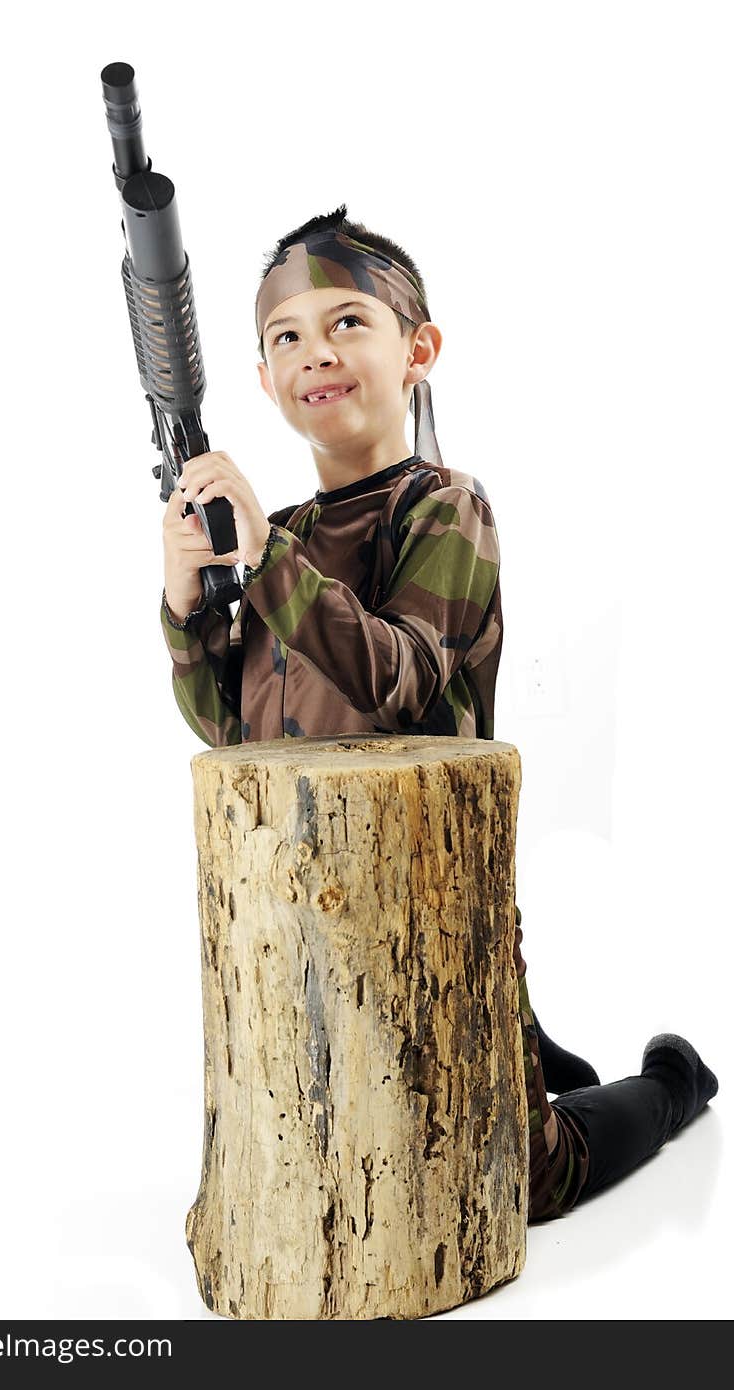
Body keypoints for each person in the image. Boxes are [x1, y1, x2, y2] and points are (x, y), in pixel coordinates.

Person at [158, 204, 718, 1223]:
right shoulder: (275, 534)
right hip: (303, 898)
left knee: (524, 1176)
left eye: (345, 323)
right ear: (261, 378)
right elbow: (226, 728)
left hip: (423, 889)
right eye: (285, 337)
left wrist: (265, 563)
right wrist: (190, 603)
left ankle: (670, 1086)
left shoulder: (443, 506)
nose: (313, 352)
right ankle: (530, 1038)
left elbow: (398, 680)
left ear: (418, 349)